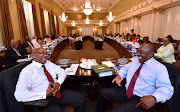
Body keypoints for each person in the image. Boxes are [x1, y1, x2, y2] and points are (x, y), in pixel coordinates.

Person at [96, 44, 173, 112]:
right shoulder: (136, 61)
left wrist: (154, 97)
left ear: (151, 54)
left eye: (142, 52)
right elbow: (125, 68)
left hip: (140, 99)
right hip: (127, 91)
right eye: (138, 51)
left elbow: (167, 88)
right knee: (103, 93)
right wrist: (120, 75)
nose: (138, 54)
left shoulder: (159, 68)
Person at [14, 47, 86, 112]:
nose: (45, 56)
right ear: (33, 55)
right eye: (41, 53)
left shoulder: (48, 63)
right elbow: (19, 95)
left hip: (57, 93)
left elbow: (61, 71)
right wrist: (45, 93)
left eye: (46, 53)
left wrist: (58, 83)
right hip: (43, 100)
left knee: (81, 99)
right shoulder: (27, 71)